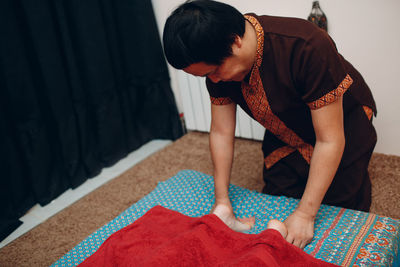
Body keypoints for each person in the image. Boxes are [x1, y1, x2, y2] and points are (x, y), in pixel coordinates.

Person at [162, 0, 377, 249]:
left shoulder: (306, 46)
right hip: (285, 124)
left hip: (342, 123)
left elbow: (330, 139)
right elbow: (221, 132)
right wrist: (222, 202)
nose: (214, 80)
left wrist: (306, 214)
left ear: (235, 41)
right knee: (277, 198)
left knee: (338, 212)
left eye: (215, 71)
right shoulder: (216, 65)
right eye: (206, 76)